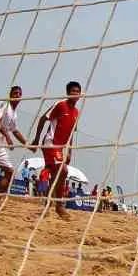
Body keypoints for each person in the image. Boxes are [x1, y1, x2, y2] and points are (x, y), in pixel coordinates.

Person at [30, 80, 83, 219]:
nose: (75, 94)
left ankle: (47, 206)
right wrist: (36, 139)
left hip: (60, 148)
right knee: (63, 171)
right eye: (73, 91)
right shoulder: (60, 105)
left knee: (57, 176)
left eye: (78, 92)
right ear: (68, 93)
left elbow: (71, 134)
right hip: (50, 143)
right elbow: (43, 119)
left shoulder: (76, 112)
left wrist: (69, 151)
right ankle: (59, 206)